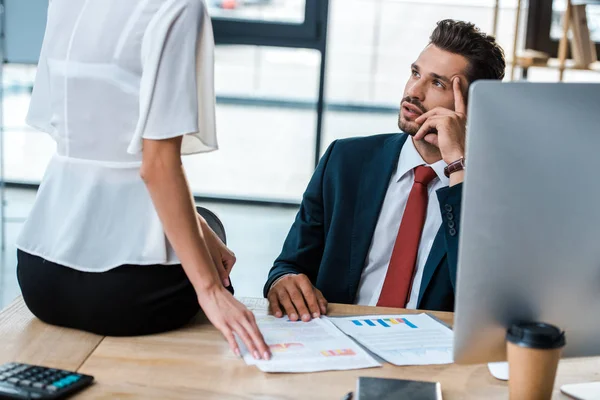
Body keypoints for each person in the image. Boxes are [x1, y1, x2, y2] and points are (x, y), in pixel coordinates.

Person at [16, 0, 270, 360]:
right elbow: (157, 167)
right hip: (126, 296)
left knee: (202, 226)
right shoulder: (178, 7)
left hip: (40, 279)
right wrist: (210, 290)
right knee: (210, 225)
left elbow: (96, 143)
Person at [265, 19, 506, 320]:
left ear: (472, 107)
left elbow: (485, 298)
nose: (414, 92)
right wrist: (283, 281)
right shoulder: (345, 160)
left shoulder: (497, 191)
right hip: (338, 340)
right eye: (415, 73)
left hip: (434, 355)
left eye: (437, 83)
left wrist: (458, 164)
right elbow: (290, 264)